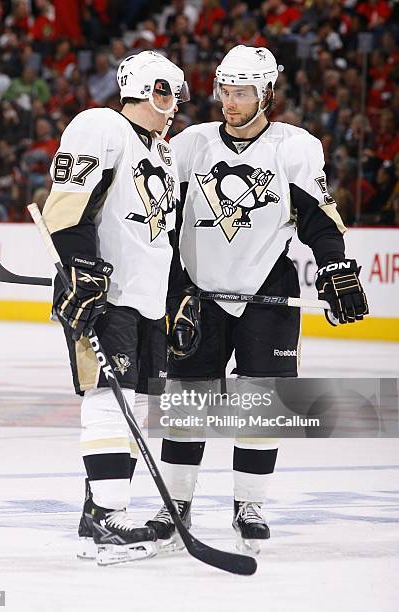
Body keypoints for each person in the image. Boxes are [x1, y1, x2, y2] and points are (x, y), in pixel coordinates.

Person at [146, 46, 368, 554]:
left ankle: (249, 504)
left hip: (267, 288)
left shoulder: (294, 146)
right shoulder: (190, 144)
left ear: (266, 93)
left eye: (241, 92)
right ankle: (176, 503)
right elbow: (160, 213)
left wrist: (335, 263)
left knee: (260, 406)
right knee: (188, 403)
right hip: (196, 291)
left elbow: (317, 216)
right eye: (225, 90)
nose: (230, 101)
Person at [41, 50, 189, 565]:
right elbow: (67, 204)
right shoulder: (101, 126)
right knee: (109, 396)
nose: (174, 106)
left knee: (132, 405)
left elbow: (159, 239)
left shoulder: (163, 154)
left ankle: (99, 508)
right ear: (149, 90)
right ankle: (108, 515)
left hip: (145, 302)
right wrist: (82, 266)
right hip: (105, 295)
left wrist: (176, 299)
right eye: (168, 93)